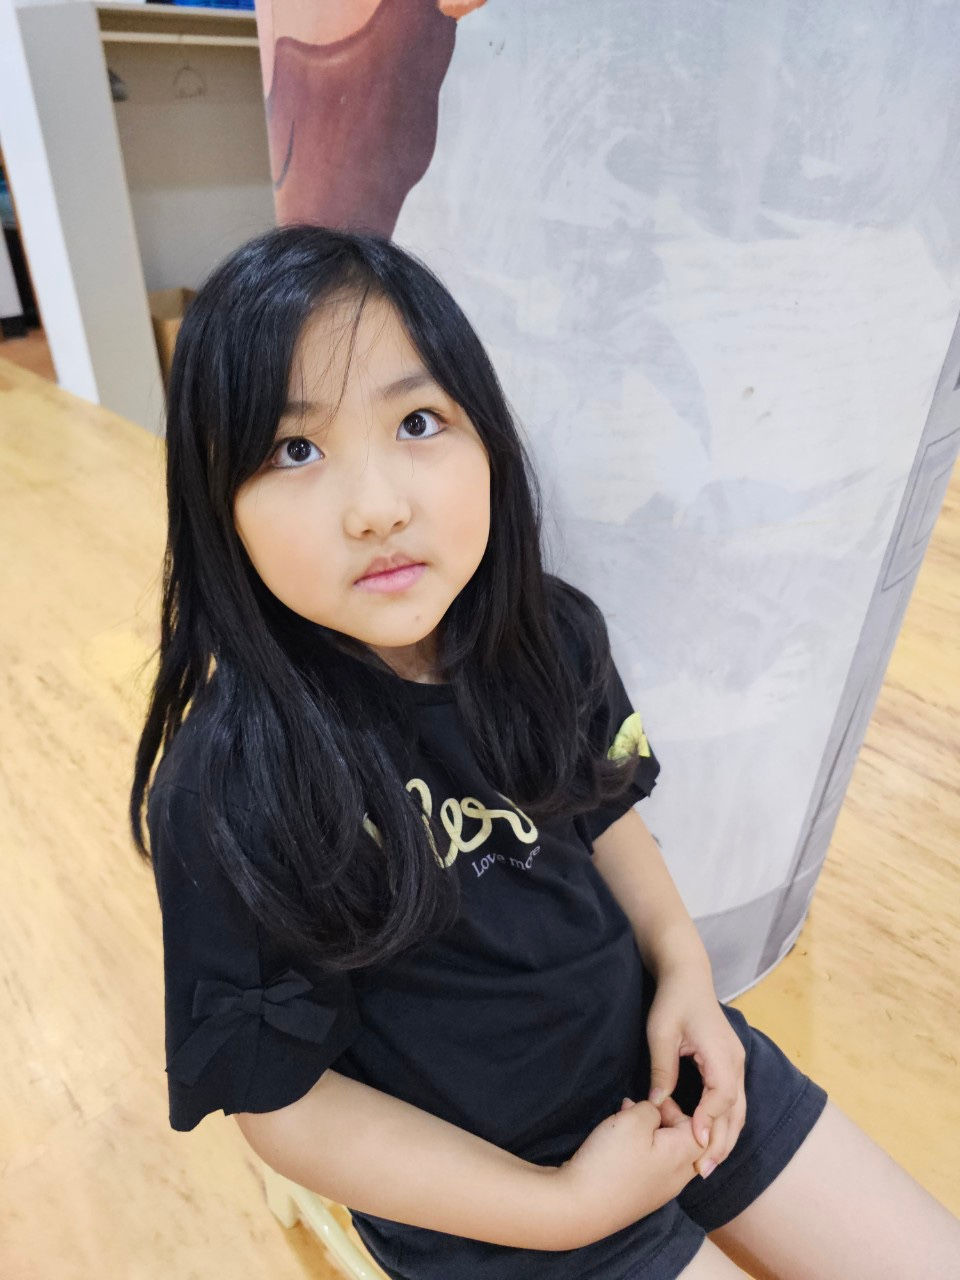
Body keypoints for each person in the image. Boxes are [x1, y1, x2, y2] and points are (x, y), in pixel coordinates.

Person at [129, 224, 960, 1279]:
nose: (378, 507)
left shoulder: (548, 634)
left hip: (660, 1071)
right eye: (296, 450)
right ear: (217, 507)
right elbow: (284, 1102)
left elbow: (605, 813)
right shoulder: (229, 787)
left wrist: (685, 970)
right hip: (492, 1207)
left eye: (418, 422)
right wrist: (559, 1209)